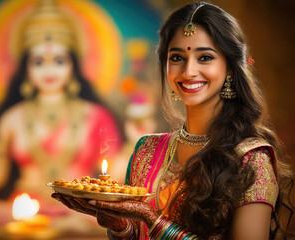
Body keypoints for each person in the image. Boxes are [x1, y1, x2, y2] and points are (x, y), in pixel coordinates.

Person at [51, 2, 294, 239]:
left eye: (205, 58)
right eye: (177, 57)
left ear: (230, 68)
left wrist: (152, 220)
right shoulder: (147, 150)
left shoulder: (251, 158)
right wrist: (120, 226)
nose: (188, 71)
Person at [0, 0, 121, 238]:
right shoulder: (13, 118)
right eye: (38, 62)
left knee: (122, 216)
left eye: (59, 61)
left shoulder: (95, 115)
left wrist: (138, 136)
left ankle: (58, 226)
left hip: (80, 209)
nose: (49, 70)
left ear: (72, 65)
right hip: (25, 209)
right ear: (25, 68)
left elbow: (115, 177)